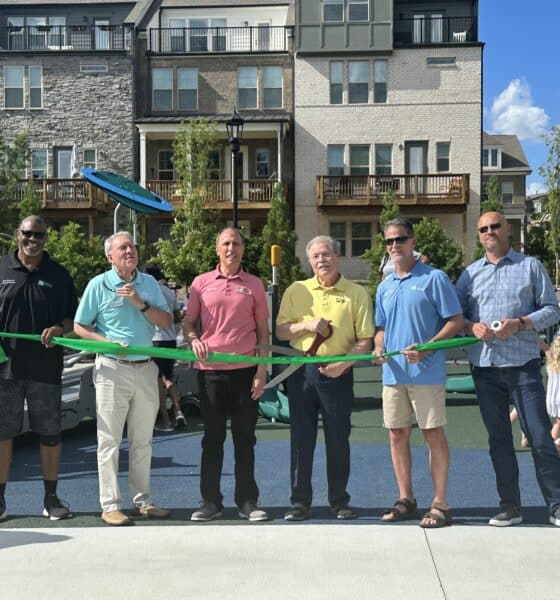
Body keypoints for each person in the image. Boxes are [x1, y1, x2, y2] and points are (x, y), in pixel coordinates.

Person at [456, 211, 560, 527]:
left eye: (495, 226)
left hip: (523, 367)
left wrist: (522, 323)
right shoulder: (469, 274)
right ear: (479, 235)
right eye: (484, 229)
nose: (490, 232)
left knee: (540, 436)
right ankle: (510, 506)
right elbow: (457, 318)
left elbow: (553, 310)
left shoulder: (531, 267)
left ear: (508, 229)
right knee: (498, 440)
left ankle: (556, 505)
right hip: (485, 369)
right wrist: (472, 327)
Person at [74, 231, 172, 526]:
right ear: (110, 256)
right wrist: (104, 342)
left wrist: (140, 303)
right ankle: (111, 505)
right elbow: (80, 326)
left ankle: (142, 501)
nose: (130, 250)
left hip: (145, 368)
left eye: (133, 246)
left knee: (143, 440)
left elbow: (167, 322)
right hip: (112, 369)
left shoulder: (149, 284)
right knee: (109, 441)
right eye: (123, 247)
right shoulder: (98, 284)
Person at [276, 235, 373, 521]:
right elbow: (281, 332)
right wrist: (306, 325)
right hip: (301, 373)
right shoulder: (296, 290)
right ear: (309, 261)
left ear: (338, 257)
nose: (322, 260)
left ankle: (339, 501)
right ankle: (299, 502)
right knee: (301, 439)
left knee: (338, 439)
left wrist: (343, 364)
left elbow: (365, 339)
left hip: (339, 373)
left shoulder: (356, 293)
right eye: (316, 256)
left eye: (327, 254)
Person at [374, 218, 463, 528]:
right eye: (389, 241)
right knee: (397, 435)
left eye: (400, 239)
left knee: (431, 434)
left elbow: (455, 321)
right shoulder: (384, 286)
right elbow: (381, 328)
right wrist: (378, 347)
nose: (394, 246)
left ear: (412, 242)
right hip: (394, 375)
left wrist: (428, 347)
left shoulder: (434, 278)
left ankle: (440, 504)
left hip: (426, 373)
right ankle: (406, 498)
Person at [183, 227, 270, 522]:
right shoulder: (201, 283)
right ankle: (210, 502)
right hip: (210, 374)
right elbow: (189, 323)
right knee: (212, 440)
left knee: (245, 439)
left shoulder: (255, 284)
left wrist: (261, 371)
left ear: (243, 248)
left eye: (236, 243)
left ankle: (247, 501)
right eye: (226, 243)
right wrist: (194, 339)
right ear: (217, 248)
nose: (231, 248)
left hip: (245, 373)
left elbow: (262, 331)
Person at [0, 215, 77, 521]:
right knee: (3, 435)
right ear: (17, 235)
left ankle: (51, 498)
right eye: (27, 234)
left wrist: (60, 329)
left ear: (46, 238)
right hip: (5, 371)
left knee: (49, 435)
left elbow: (73, 320)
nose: (33, 240)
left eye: (39, 236)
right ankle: (0, 501)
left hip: (46, 369)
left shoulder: (59, 275)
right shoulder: (1, 269)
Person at [143, 261, 186, 432]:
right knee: (168, 378)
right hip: (170, 339)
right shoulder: (170, 292)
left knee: (157, 381)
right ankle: (178, 410)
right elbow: (177, 318)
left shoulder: (147, 291)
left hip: (154, 339)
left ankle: (165, 420)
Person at [541, 337, 560, 455]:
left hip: (553, 400)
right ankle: (549, 448)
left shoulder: (551, 361)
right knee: (558, 425)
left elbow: (544, 347)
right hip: (558, 399)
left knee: (557, 423)